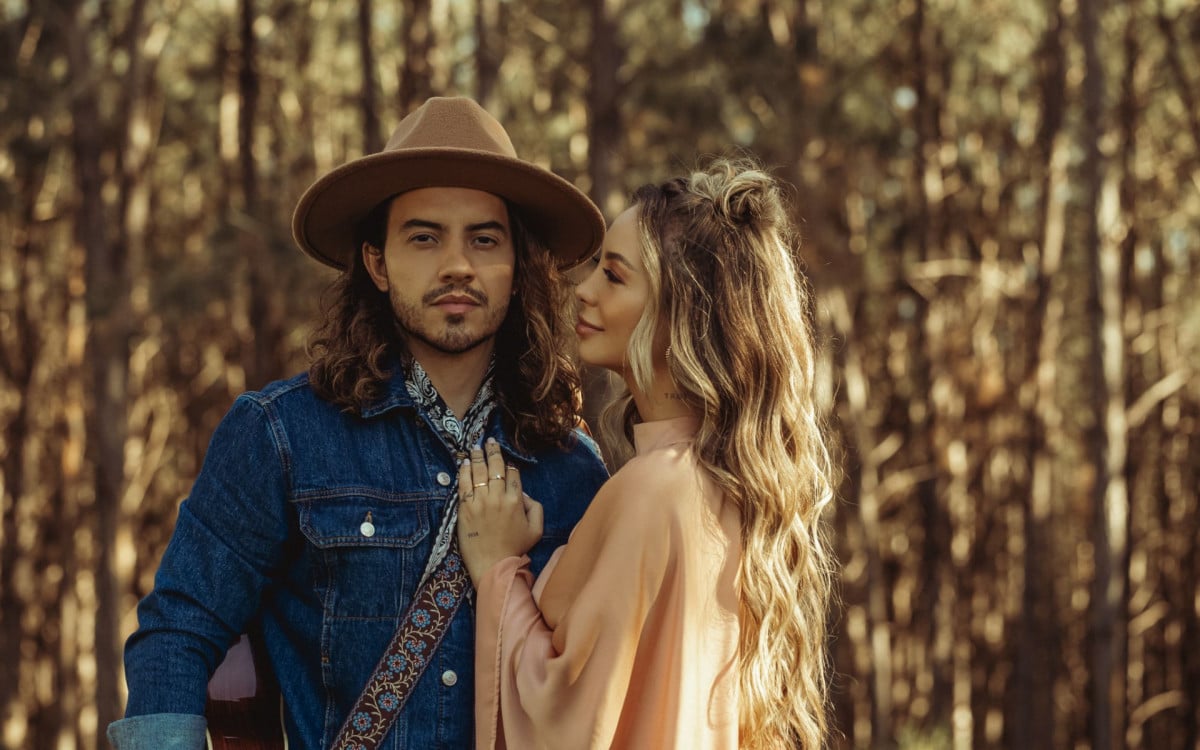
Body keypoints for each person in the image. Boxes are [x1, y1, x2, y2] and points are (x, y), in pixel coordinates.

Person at [108, 96, 610, 749]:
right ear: (376, 262)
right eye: (424, 236)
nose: (457, 264)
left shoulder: (572, 469)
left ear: (516, 271)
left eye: (484, 239)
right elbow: (179, 631)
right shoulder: (281, 436)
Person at [457, 156, 837, 749]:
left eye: (614, 276)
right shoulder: (728, 485)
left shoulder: (651, 491)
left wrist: (499, 567)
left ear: (680, 310)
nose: (582, 291)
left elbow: (566, 721)